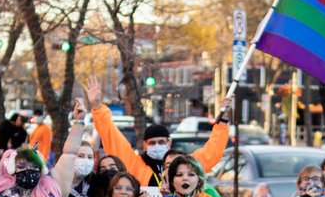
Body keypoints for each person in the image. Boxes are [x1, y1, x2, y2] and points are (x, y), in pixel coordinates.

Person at [83, 75, 230, 189]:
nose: (157, 145)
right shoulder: (135, 165)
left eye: (161, 142)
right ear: (145, 145)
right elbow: (111, 136)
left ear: (169, 143)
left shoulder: (186, 166)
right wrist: (97, 106)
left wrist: (222, 124)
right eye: (152, 143)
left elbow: (212, 153)